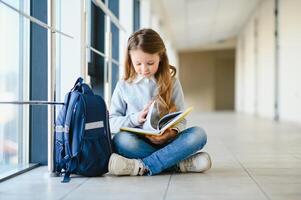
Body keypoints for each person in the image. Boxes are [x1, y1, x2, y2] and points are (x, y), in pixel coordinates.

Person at [108, 28, 212, 176]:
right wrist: (136, 118)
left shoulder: (172, 82)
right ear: (130, 60)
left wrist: (171, 133)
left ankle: (142, 166)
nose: (144, 69)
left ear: (161, 58)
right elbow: (111, 122)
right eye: (138, 63)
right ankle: (177, 163)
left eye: (150, 63)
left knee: (199, 134)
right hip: (138, 142)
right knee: (121, 140)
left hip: (168, 141)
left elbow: (181, 120)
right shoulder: (123, 85)